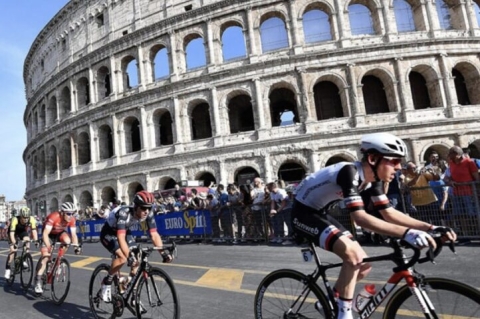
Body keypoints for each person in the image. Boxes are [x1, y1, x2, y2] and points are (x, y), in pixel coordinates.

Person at [291, 132, 456, 319]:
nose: (399, 167)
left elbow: (389, 213)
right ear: (372, 159)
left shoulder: (374, 179)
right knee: (353, 257)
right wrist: (407, 233)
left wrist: (430, 228)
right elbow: (360, 218)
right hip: (303, 214)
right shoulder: (349, 172)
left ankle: (329, 302)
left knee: (364, 265)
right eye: (394, 162)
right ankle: (343, 315)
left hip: (321, 212)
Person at [99, 190, 173, 305]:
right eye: (143, 208)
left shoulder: (149, 212)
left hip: (124, 231)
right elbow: (120, 237)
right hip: (109, 232)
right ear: (136, 206)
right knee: (123, 258)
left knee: (137, 259)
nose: (146, 211)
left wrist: (163, 253)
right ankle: (106, 282)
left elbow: (154, 234)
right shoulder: (124, 212)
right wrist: (129, 256)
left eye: (149, 208)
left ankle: (132, 293)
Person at [35, 202, 81, 294]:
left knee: (67, 241)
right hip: (48, 234)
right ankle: (38, 281)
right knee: (46, 257)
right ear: (62, 213)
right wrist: (49, 247)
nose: (70, 216)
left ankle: (59, 260)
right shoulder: (54, 217)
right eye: (68, 213)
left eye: (72, 213)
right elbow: (45, 234)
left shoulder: (72, 219)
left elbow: (74, 235)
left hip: (59, 233)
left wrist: (76, 247)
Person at [4, 207, 39, 279]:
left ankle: (24, 259)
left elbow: (34, 231)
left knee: (27, 240)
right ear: (20, 216)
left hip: (21, 231)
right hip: (12, 232)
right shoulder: (15, 219)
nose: (26, 219)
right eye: (24, 217)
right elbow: (11, 234)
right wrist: (14, 243)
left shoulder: (31, 219)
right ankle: (8, 268)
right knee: (13, 250)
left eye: (27, 217)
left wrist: (36, 241)